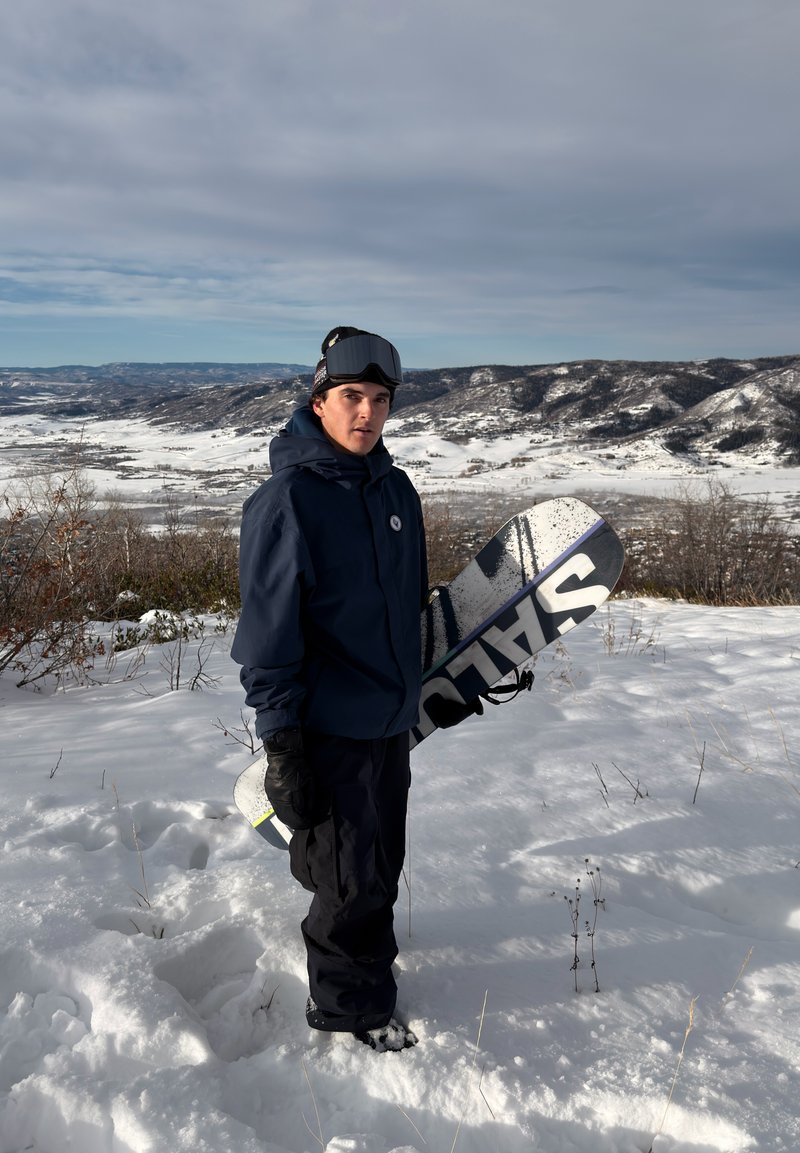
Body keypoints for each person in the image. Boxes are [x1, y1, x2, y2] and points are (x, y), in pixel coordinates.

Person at [231, 326, 429, 1052]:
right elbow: (268, 635)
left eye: (380, 400)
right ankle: (350, 1014)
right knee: (347, 882)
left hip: (391, 722)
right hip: (328, 724)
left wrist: (433, 686)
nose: (367, 414)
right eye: (352, 397)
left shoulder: (395, 488)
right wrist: (283, 744)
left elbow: (406, 610)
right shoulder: (287, 501)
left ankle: (363, 954)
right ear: (319, 401)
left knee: (381, 861)